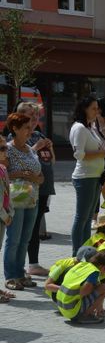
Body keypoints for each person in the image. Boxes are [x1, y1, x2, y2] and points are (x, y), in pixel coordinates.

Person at [3, 113, 44, 291]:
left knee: (25, 239)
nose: (30, 130)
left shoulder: (30, 149)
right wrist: (20, 174)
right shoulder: (7, 149)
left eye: (30, 127)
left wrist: (37, 178)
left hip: (32, 199)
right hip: (16, 200)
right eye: (26, 128)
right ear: (15, 129)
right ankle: (10, 276)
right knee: (14, 239)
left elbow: (41, 176)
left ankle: (20, 273)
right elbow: (2, 173)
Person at [16, 102, 55, 276]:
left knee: (35, 226)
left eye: (36, 116)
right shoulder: (17, 135)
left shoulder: (38, 134)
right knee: (24, 230)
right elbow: (18, 158)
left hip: (44, 187)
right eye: (30, 116)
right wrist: (36, 147)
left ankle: (34, 263)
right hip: (26, 189)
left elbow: (51, 161)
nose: (34, 120)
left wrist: (51, 149)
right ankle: (19, 267)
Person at [69, 96, 105, 256]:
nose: (97, 111)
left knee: (87, 219)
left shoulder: (90, 127)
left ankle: (84, 251)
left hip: (94, 176)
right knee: (81, 217)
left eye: (97, 108)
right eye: (93, 108)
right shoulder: (79, 128)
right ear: (84, 109)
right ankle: (77, 253)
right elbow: (78, 154)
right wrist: (100, 154)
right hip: (84, 177)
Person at [56, 249, 105, 324]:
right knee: (103, 288)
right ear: (103, 267)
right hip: (71, 310)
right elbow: (85, 290)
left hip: (61, 306)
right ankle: (86, 315)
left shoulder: (82, 265)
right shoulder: (94, 272)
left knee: (97, 287)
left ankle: (85, 311)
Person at [0, 135, 15, 302]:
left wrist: (10, 213)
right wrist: (4, 216)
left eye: (6, 148)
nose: (6, 152)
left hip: (3, 216)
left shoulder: (3, 169)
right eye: (2, 149)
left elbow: (7, 194)